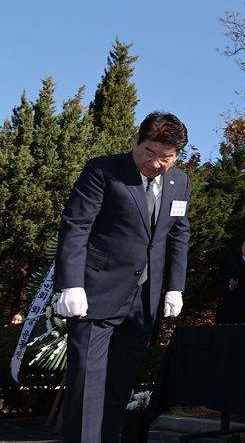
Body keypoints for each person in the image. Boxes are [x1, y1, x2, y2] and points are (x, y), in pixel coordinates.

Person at [54, 111, 191, 443]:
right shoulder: (103, 170)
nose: (157, 163)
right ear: (136, 141)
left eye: (166, 158)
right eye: (149, 152)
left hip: (142, 301)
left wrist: (175, 288)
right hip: (94, 294)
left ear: (176, 156)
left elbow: (178, 235)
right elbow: (75, 227)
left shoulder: (180, 182)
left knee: (119, 387)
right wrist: (71, 283)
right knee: (87, 386)